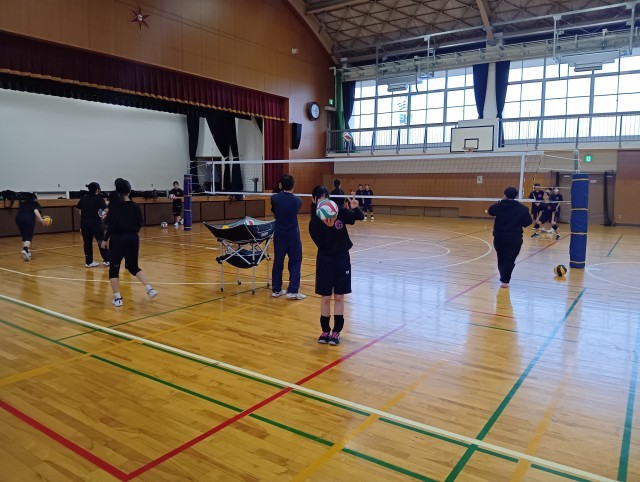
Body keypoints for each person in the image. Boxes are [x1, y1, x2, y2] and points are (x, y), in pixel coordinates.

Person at [309, 186, 364, 345]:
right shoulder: (314, 223)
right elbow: (322, 244)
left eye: (325, 198)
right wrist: (328, 227)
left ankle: (336, 332)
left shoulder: (338, 211)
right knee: (326, 297)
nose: (323, 202)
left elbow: (358, 217)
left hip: (342, 258)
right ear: (314, 200)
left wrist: (356, 208)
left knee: (339, 296)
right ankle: (325, 331)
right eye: (320, 199)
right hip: (325, 260)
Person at [102, 178, 157, 307]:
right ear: (129, 191)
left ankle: (118, 299)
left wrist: (105, 239)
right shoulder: (136, 207)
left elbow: (110, 226)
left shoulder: (114, 208)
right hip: (133, 238)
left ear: (117, 192)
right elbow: (139, 224)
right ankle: (149, 288)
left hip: (118, 239)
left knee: (114, 269)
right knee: (133, 266)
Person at [488, 187, 533, 288]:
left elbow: (490, 211)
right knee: (510, 259)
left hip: (499, 237)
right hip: (515, 238)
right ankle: (505, 280)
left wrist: (500, 202)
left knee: (501, 258)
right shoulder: (523, 208)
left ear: (504, 195)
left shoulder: (499, 205)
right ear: (515, 196)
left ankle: (504, 278)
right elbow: (527, 223)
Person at [270, 174, 305, 300]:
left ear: (280, 185)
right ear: (293, 185)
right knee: (295, 261)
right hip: (293, 235)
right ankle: (293, 291)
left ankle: (276, 289)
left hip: (279, 234)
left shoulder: (274, 198)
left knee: (278, 261)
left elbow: (274, 211)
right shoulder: (298, 201)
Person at [76, 182, 110, 267]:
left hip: (84, 223)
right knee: (100, 241)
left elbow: (78, 209)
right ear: (97, 190)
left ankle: (88, 262)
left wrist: (85, 213)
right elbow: (105, 210)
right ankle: (107, 260)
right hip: (95, 223)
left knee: (87, 242)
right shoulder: (99, 199)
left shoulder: (83, 198)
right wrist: (102, 213)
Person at [15, 192, 46, 262]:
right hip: (28, 219)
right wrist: (41, 220)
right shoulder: (35, 204)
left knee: (24, 235)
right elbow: (36, 211)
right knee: (28, 236)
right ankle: (25, 249)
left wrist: (39, 219)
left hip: (18, 219)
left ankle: (27, 253)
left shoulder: (22, 204)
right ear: (34, 199)